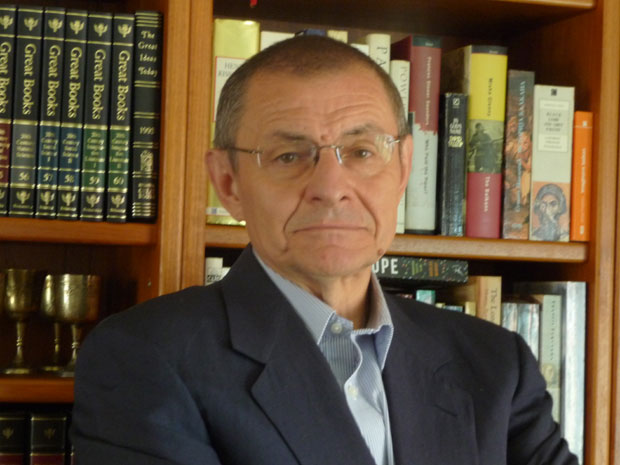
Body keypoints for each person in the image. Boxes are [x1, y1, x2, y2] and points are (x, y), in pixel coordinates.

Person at [71, 36, 577, 465]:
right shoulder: (145, 358)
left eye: (361, 151)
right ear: (228, 183)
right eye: (289, 156)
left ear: (403, 168)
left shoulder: (494, 362)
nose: (331, 188)